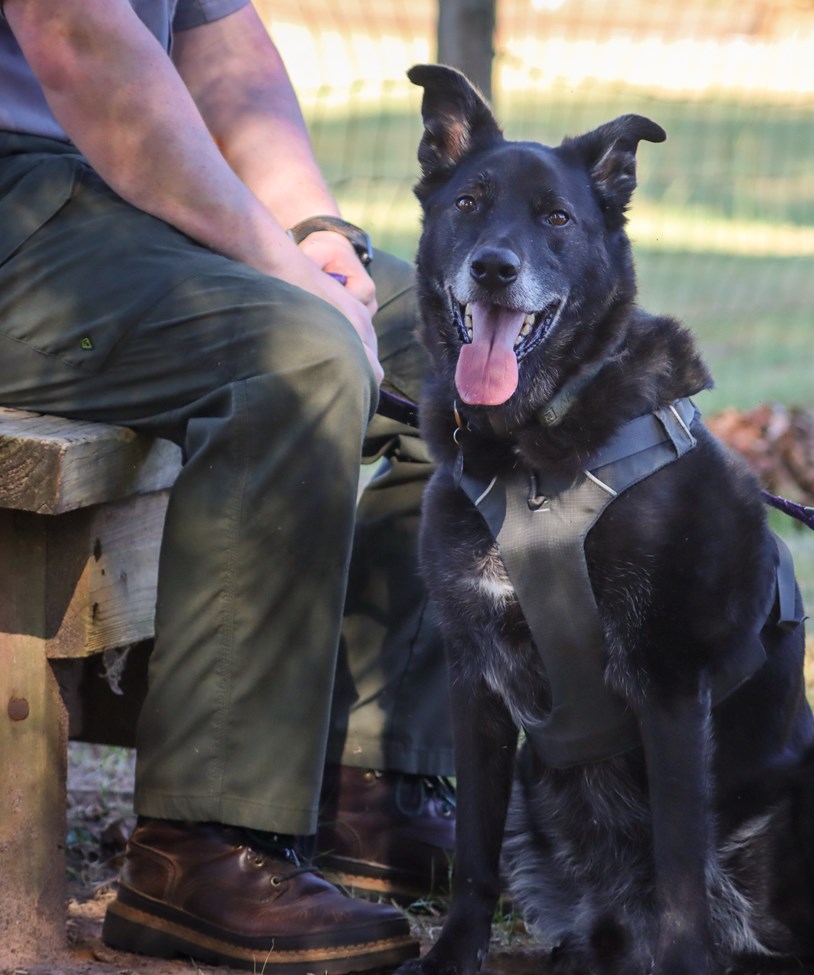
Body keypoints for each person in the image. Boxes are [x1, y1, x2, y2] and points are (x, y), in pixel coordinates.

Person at [0, 1, 454, 970]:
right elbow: (80, 40)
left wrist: (317, 233)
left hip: (105, 189)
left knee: (476, 350)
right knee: (298, 357)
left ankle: (370, 784)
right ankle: (201, 847)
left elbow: (219, 44)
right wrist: (281, 269)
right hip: (18, 203)